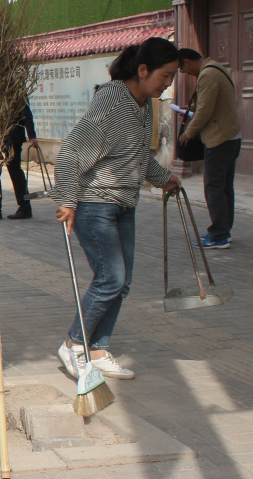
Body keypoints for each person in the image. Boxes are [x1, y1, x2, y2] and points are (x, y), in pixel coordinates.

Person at [52, 37, 182, 381]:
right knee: (111, 278)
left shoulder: (142, 106)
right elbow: (71, 151)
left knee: (121, 283)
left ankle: (97, 349)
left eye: (172, 78)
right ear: (142, 70)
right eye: (164, 76)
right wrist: (66, 198)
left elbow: (135, 157)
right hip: (96, 203)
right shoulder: (112, 99)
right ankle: (74, 344)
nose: (167, 84)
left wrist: (164, 177)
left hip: (124, 204)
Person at [177, 49, 241, 249]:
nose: (184, 72)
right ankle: (224, 231)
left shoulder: (207, 75)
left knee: (213, 187)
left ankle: (219, 235)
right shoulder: (217, 69)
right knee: (224, 188)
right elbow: (210, 105)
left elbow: (205, 110)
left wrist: (189, 132)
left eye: (182, 68)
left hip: (219, 139)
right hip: (230, 137)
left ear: (187, 61)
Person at [0, 100, 39, 220]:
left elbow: (25, 112)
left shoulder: (15, 90)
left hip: (11, 137)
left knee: (13, 172)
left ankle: (23, 207)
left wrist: (32, 135)